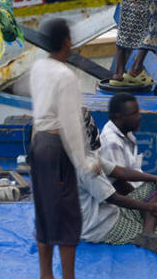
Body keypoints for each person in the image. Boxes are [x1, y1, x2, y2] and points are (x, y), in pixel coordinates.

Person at [29, 19, 101, 279]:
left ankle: (45, 274)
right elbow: (72, 126)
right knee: (67, 216)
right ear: (67, 42)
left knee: (45, 210)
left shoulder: (38, 67)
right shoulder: (65, 76)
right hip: (56, 147)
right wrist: (85, 162)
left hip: (38, 144)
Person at [78, 114, 157, 279]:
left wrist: (154, 178)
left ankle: (147, 234)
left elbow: (119, 171)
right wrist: (149, 207)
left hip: (110, 212)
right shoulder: (84, 166)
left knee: (152, 186)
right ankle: (151, 239)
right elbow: (113, 198)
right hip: (99, 226)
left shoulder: (89, 154)